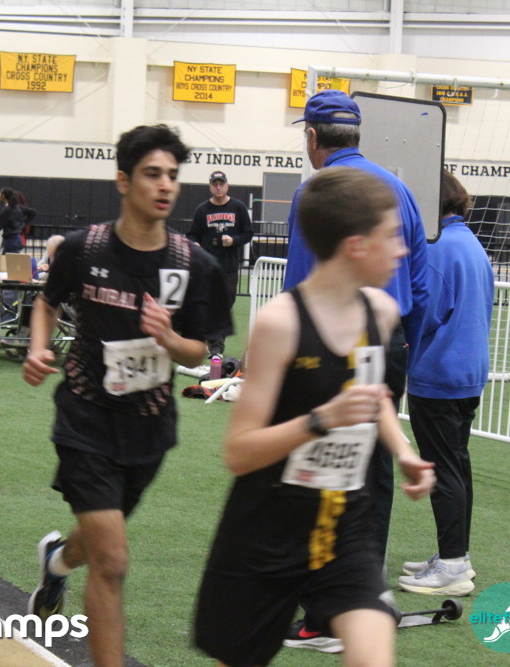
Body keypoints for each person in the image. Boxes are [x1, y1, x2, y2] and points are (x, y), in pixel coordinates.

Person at [194, 167, 435, 667]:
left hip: (345, 526)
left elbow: (372, 395)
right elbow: (239, 452)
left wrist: (403, 451)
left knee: (374, 656)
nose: (403, 250)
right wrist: (320, 419)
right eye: (391, 236)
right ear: (355, 246)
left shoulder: (381, 312)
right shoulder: (281, 322)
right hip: (268, 530)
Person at [22, 124, 230, 667]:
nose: (165, 186)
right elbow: (47, 302)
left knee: (96, 543)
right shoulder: (84, 249)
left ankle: (56, 563)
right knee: (112, 561)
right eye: (152, 174)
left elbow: (200, 351)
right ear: (123, 180)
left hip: (148, 427)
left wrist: (170, 339)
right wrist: (38, 349)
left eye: (172, 176)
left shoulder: (193, 264)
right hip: (85, 417)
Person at [281, 89, 430, 652]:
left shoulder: (317, 192)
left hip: (329, 347)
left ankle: (324, 613)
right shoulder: (400, 189)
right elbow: (421, 284)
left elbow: (301, 283)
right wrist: (400, 343)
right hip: (389, 343)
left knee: (319, 466)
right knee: (374, 474)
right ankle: (364, 594)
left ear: (312, 137)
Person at [398, 170, 493, 597]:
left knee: (442, 468)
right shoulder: (471, 243)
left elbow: (425, 314)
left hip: (439, 372)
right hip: (467, 371)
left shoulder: (438, 249)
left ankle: (452, 564)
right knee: (457, 464)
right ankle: (457, 556)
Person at [186, 170, 253, 328]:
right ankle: (214, 338)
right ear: (210, 187)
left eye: (221, 184)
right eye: (214, 184)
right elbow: (192, 234)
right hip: (208, 266)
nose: (218, 187)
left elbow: (248, 233)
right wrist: (195, 244)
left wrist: (234, 240)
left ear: (227, 186)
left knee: (228, 300)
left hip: (229, 265)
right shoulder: (202, 209)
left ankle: (212, 331)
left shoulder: (238, 207)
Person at [0, 187, 37, 253]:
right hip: (16, 239)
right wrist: (23, 223)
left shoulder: (7, 210)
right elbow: (33, 212)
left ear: (3, 196)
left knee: (10, 259)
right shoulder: (18, 207)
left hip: (11, 241)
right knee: (8, 257)